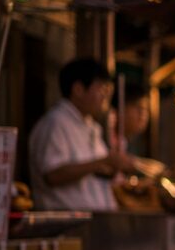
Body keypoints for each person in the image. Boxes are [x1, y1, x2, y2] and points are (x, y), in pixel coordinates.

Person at [29, 58, 134, 211]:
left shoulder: (90, 126)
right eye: (102, 90)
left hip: (95, 221)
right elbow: (52, 175)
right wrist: (103, 162)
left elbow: (97, 168)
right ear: (78, 89)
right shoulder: (56, 123)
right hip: (66, 224)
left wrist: (114, 166)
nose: (106, 98)